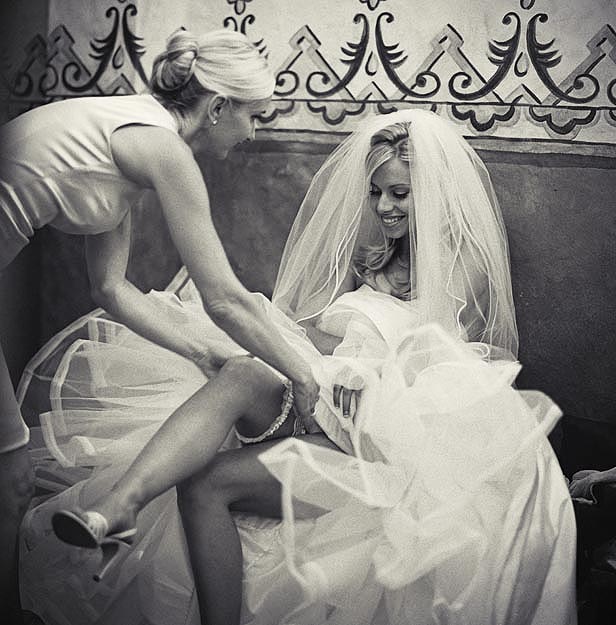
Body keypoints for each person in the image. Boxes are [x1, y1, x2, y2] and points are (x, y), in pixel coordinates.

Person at [19, 110, 576, 625]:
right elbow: (321, 334)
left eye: (400, 194)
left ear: (431, 193)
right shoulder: (374, 259)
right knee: (240, 369)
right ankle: (119, 507)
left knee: (206, 484)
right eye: (376, 192)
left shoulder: (462, 260)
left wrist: (364, 377)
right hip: (330, 398)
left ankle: (133, 521)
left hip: (387, 434)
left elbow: (435, 354)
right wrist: (279, 340)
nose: (384, 207)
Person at [0, 26, 320, 623]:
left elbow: (110, 289)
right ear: (218, 107)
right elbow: (224, 298)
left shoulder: (129, 132)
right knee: (14, 481)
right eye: (254, 116)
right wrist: (302, 373)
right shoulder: (165, 150)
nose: (253, 133)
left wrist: (201, 352)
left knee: (10, 478)